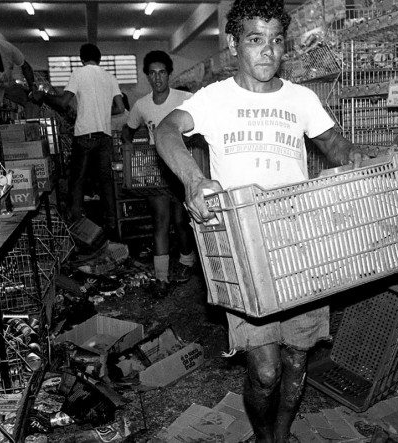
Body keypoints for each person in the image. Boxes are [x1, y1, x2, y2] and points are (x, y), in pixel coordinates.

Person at [153, 0, 366, 440]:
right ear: (233, 44)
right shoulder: (214, 99)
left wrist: (359, 160)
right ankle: (266, 435)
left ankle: (280, 436)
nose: (267, 51)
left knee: (295, 360)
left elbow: (334, 144)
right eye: (255, 39)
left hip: (301, 245)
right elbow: (166, 131)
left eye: (276, 41)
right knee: (265, 370)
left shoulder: (301, 98)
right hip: (245, 248)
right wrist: (194, 181)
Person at [121, 51, 198, 298]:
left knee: (181, 221)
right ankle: (161, 276)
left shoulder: (185, 99)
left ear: (169, 74)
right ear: (146, 76)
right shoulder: (141, 105)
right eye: (152, 73)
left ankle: (187, 263)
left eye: (162, 72)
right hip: (156, 172)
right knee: (160, 222)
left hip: (181, 167)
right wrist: (132, 152)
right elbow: (128, 130)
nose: (157, 78)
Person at [45, 43, 125, 229]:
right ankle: (113, 224)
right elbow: (120, 108)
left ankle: (76, 222)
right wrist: (103, 112)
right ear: (100, 59)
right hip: (105, 136)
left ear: (81, 59)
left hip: (84, 135)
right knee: (106, 182)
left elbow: (63, 102)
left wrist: (44, 96)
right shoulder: (110, 77)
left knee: (78, 180)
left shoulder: (78, 73)